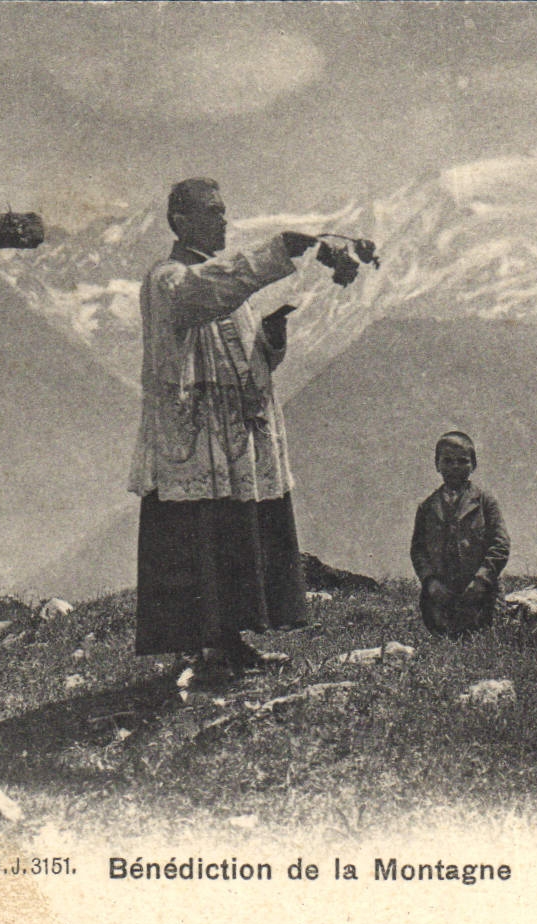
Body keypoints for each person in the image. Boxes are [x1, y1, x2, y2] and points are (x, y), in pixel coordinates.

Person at [130, 177, 328, 676]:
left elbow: (247, 362)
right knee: (202, 539)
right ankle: (207, 649)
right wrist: (275, 252)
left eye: (224, 211)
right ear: (180, 220)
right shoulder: (168, 278)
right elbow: (205, 294)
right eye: (214, 212)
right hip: (196, 441)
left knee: (236, 537)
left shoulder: (223, 288)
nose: (224, 220)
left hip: (232, 437)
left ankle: (231, 643)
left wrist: (271, 340)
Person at [410, 431, 511, 636]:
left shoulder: (485, 502)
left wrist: (482, 580)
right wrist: (430, 582)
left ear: (473, 465)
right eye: (447, 461)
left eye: (462, 461)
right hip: (439, 600)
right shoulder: (427, 507)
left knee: (478, 639)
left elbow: (500, 544)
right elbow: (418, 550)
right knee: (443, 642)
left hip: (479, 597)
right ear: (437, 465)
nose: (454, 466)